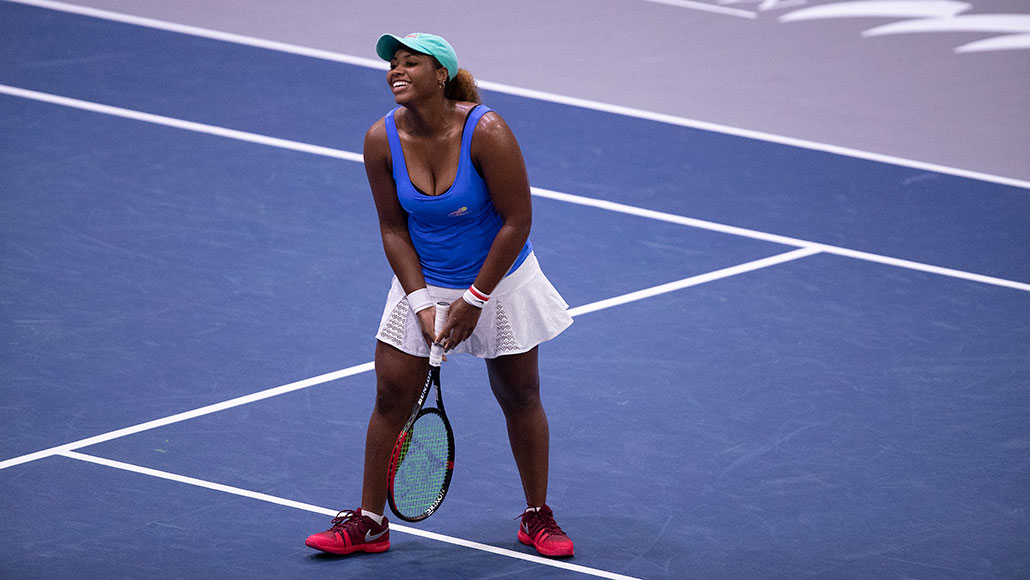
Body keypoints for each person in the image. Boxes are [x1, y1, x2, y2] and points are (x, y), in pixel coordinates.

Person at [304, 32, 575, 558]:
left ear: (441, 75)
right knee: (389, 397)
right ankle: (368, 521)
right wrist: (423, 302)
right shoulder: (380, 139)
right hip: (424, 278)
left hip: (500, 279)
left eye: (411, 63)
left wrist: (474, 299)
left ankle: (536, 515)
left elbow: (518, 221)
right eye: (392, 64)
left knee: (520, 396)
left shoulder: (487, 130)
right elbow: (392, 229)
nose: (396, 71)